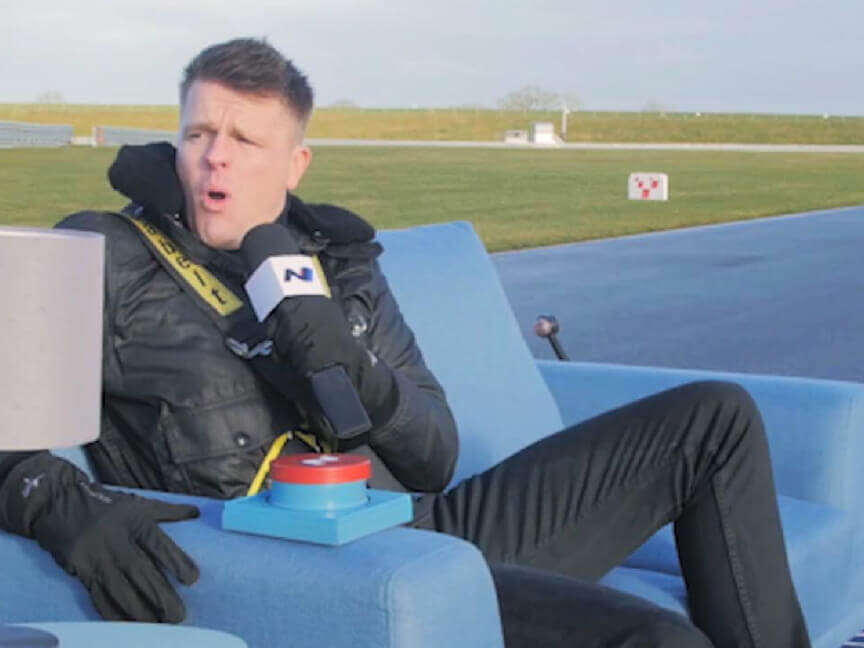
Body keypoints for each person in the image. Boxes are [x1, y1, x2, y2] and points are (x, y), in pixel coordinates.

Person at [0, 38, 809, 648]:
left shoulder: (335, 263)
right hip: (319, 565)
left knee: (718, 417)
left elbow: (434, 456)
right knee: (657, 642)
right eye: (199, 132)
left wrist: (348, 363)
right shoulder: (106, 255)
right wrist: (53, 499)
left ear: (294, 164)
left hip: (431, 530)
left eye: (246, 140)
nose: (215, 155)